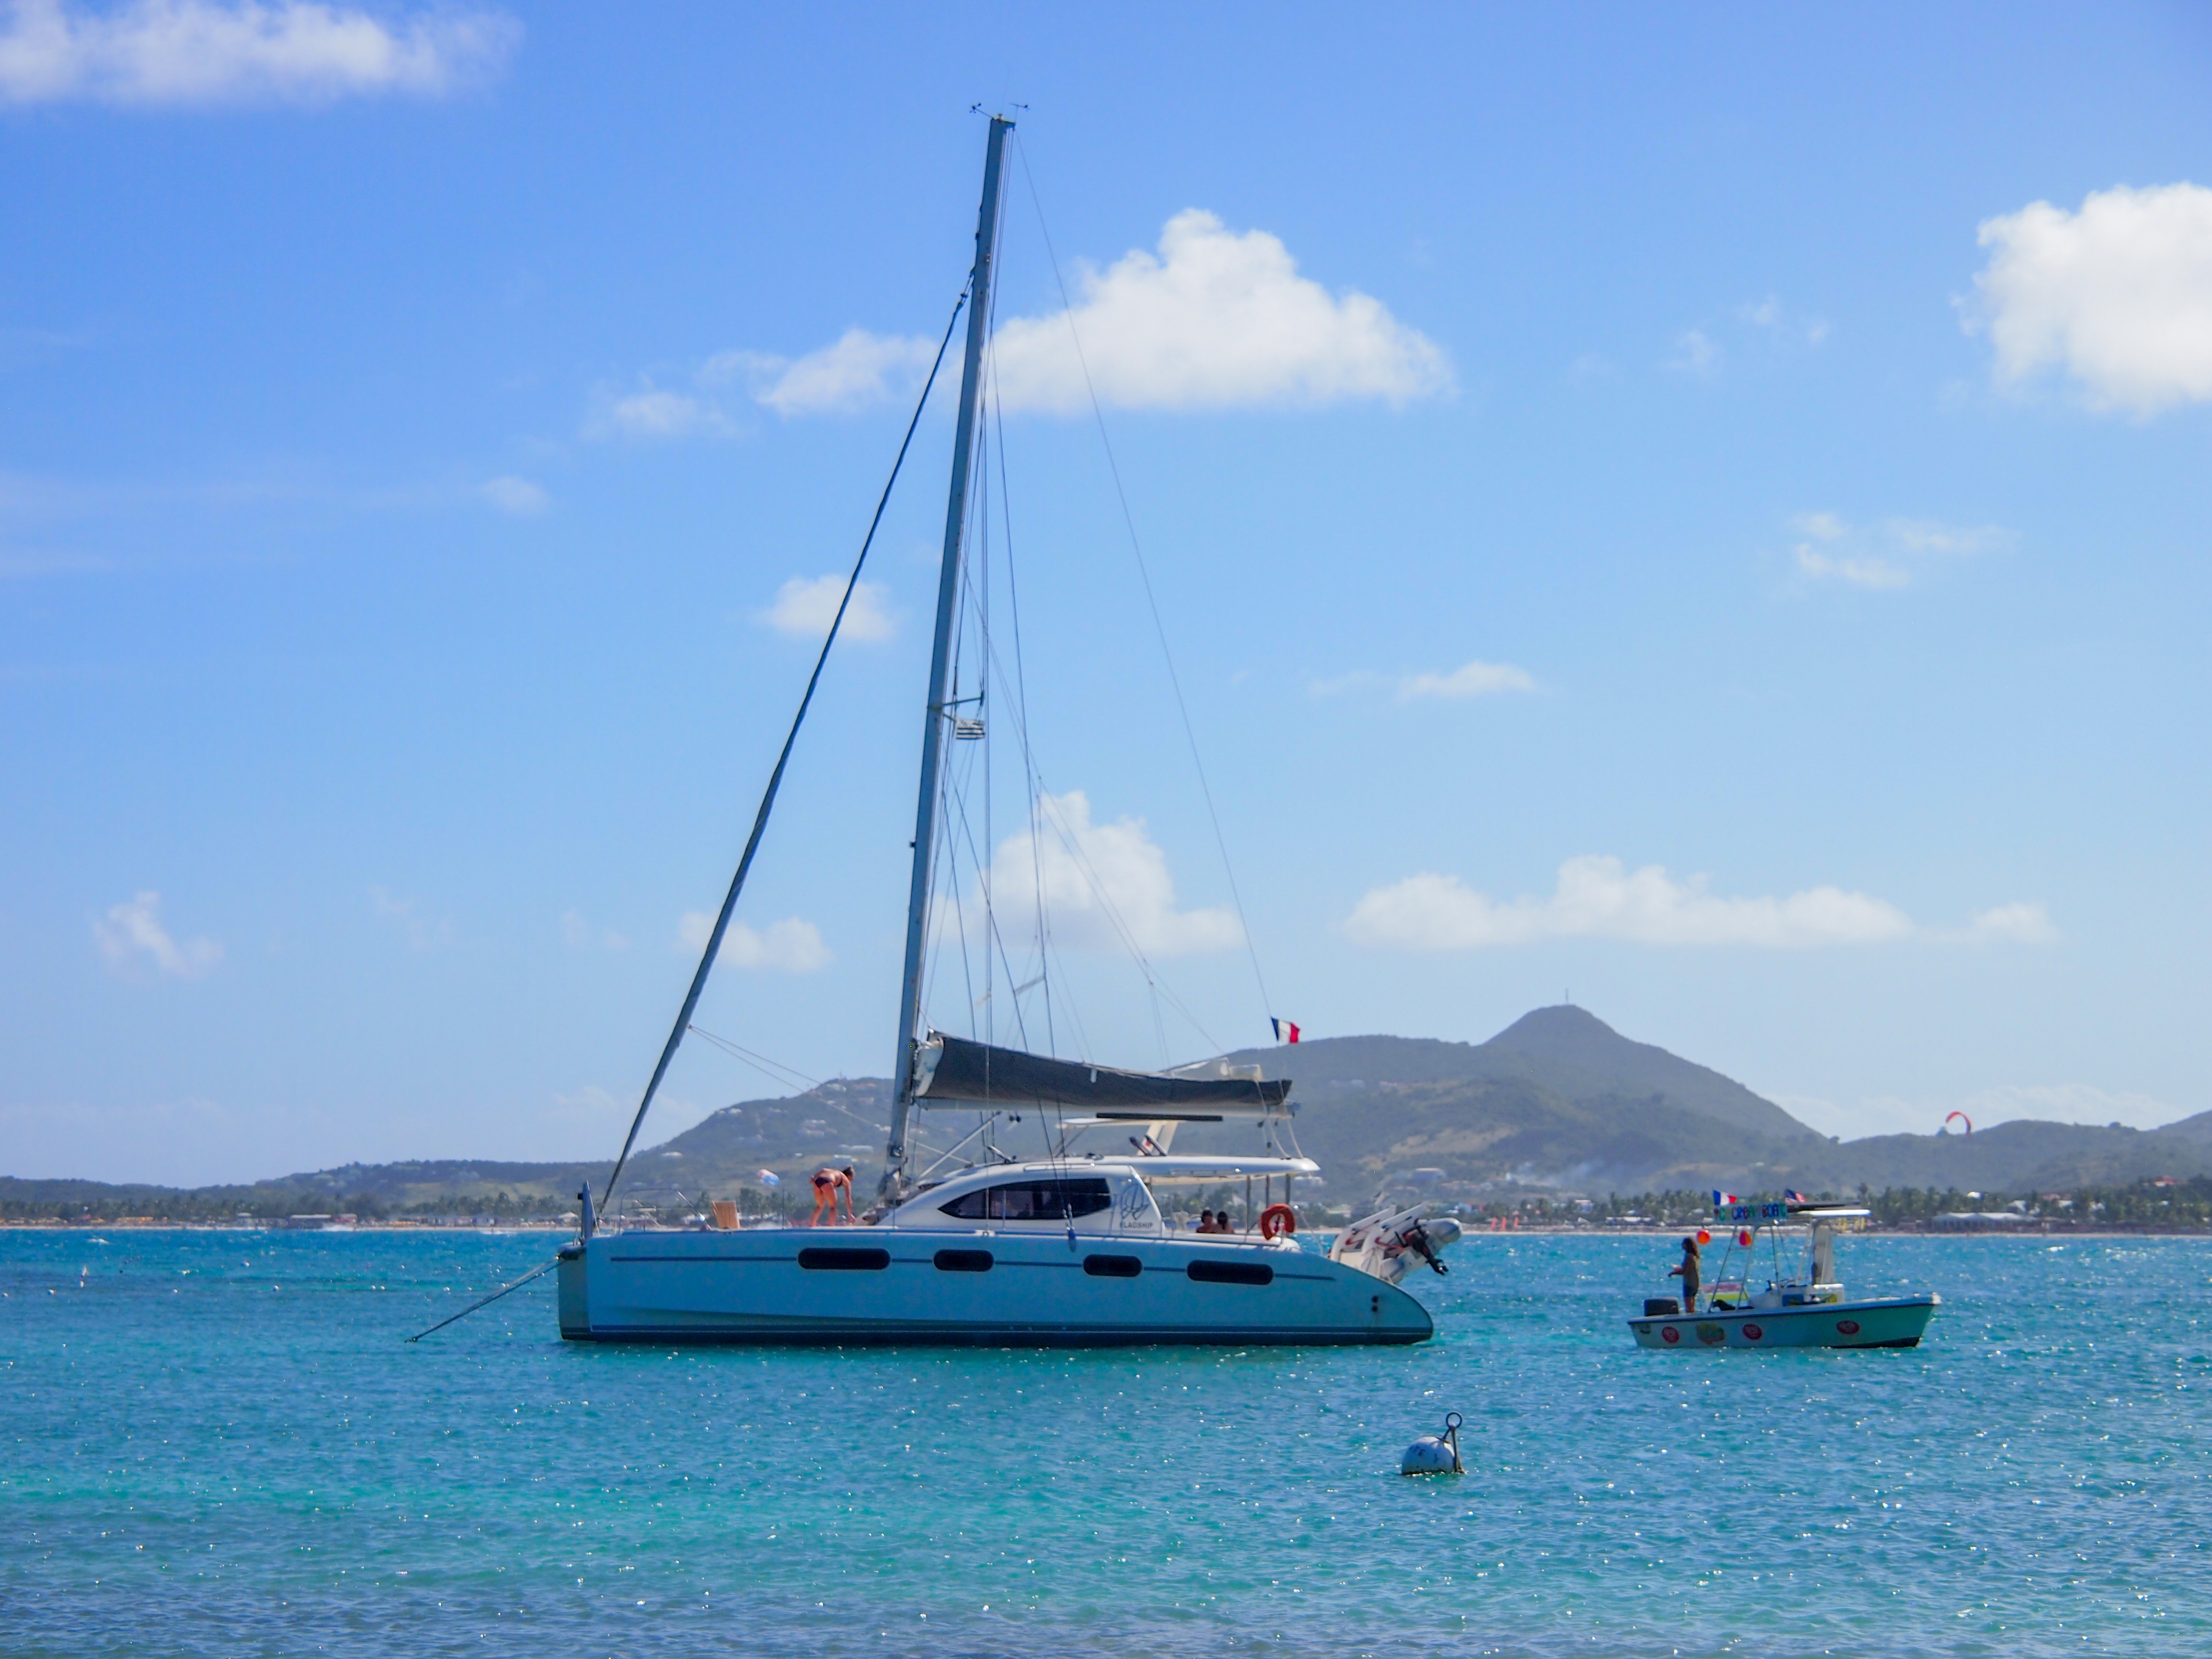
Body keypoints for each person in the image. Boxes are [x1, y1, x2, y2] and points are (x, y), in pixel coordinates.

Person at [809, 1164, 857, 1228]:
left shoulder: (834, 1171)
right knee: (833, 1207)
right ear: (849, 1177)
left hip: (818, 1181)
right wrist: (850, 1214)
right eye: (852, 1180)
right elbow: (848, 1198)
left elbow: (824, 1170)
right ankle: (831, 1227)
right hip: (828, 1181)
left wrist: (814, 1177)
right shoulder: (846, 1180)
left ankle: (812, 1225)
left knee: (820, 1205)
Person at [1667, 1235, 1702, 1312]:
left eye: (1683, 1244)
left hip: (1689, 1283)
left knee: (1689, 1307)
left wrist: (1673, 1273)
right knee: (1692, 1306)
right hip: (1695, 1283)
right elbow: (1689, 1269)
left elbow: (1685, 1271)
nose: (1682, 1245)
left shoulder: (1689, 1256)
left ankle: (1690, 1320)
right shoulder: (1694, 1256)